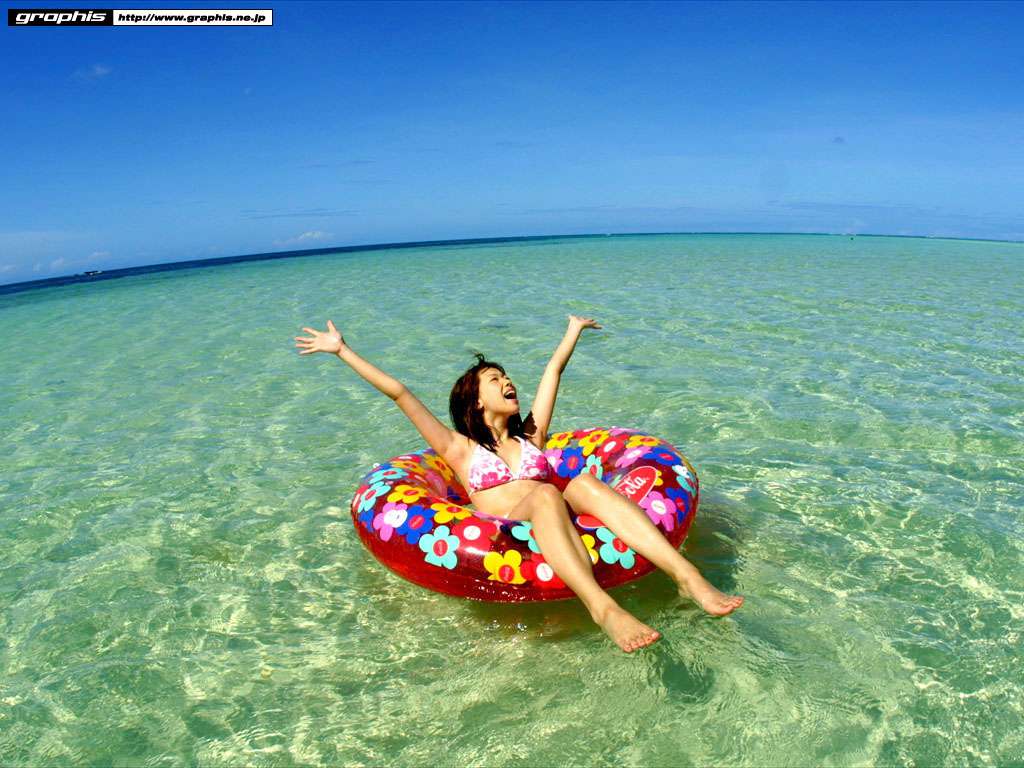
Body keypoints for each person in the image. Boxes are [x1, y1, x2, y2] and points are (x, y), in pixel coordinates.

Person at [295, 314, 743, 652]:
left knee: (584, 484)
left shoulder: (532, 437)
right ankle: (603, 607)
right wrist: (342, 350)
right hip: (508, 526)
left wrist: (572, 331)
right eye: (495, 380)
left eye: (506, 377)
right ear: (475, 400)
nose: (508, 382)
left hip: (554, 514)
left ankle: (687, 576)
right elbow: (399, 392)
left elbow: (553, 374)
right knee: (546, 492)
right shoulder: (459, 449)